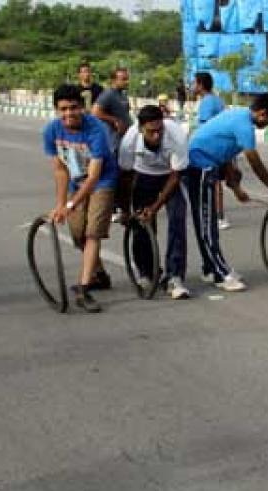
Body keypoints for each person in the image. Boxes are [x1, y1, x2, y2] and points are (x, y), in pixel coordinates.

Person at [185, 93, 268, 292]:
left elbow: (225, 155)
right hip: (199, 164)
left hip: (209, 162)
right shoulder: (244, 126)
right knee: (206, 224)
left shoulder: (239, 115)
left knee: (209, 224)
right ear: (262, 113)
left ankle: (210, 268)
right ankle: (219, 273)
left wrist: (236, 188)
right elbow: (255, 163)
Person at [42, 84, 122, 313]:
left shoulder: (96, 129)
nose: (69, 114)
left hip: (102, 181)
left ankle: (84, 287)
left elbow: (95, 175)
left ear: (83, 107)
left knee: (92, 232)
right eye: (63, 109)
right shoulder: (52, 131)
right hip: (77, 181)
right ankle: (98, 274)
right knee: (78, 233)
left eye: (74, 108)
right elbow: (59, 170)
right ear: (57, 110)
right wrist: (61, 204)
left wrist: (70, 204)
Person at [118, 105, 192, 299]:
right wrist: (125, 210)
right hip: (143, 176)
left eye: (160, 130)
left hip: (169, 177)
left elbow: (176, 177)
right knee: (142, 225)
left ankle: (174, 276)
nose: (157, 135)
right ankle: (146, 272)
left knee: (177, 219)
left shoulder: (176, 136)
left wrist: (155, 207)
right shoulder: (129, 141)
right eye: (151, 132)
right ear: (141, 128)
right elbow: (126, 177)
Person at [93, 68, 134, 221]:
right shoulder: (108, 95)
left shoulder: (122, 95)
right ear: (114, 80)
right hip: (114, 141)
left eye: (126, 78)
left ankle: (124, 206)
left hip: (125, 140)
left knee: (126, 174)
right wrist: (114, 120)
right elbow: (96, 112)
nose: (126, 81)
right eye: (123, 79)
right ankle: (113, 207)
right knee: (116, 174)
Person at [192, 72, 232, 231]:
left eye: (194, 83)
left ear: (201, 85)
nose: (192, 86)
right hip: (220, 146)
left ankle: (219, 216)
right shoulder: (217, 100)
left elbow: (206, 127)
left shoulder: (207, 102)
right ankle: (215, 214)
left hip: (210, 148)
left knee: (212, 182)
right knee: (214, 182)